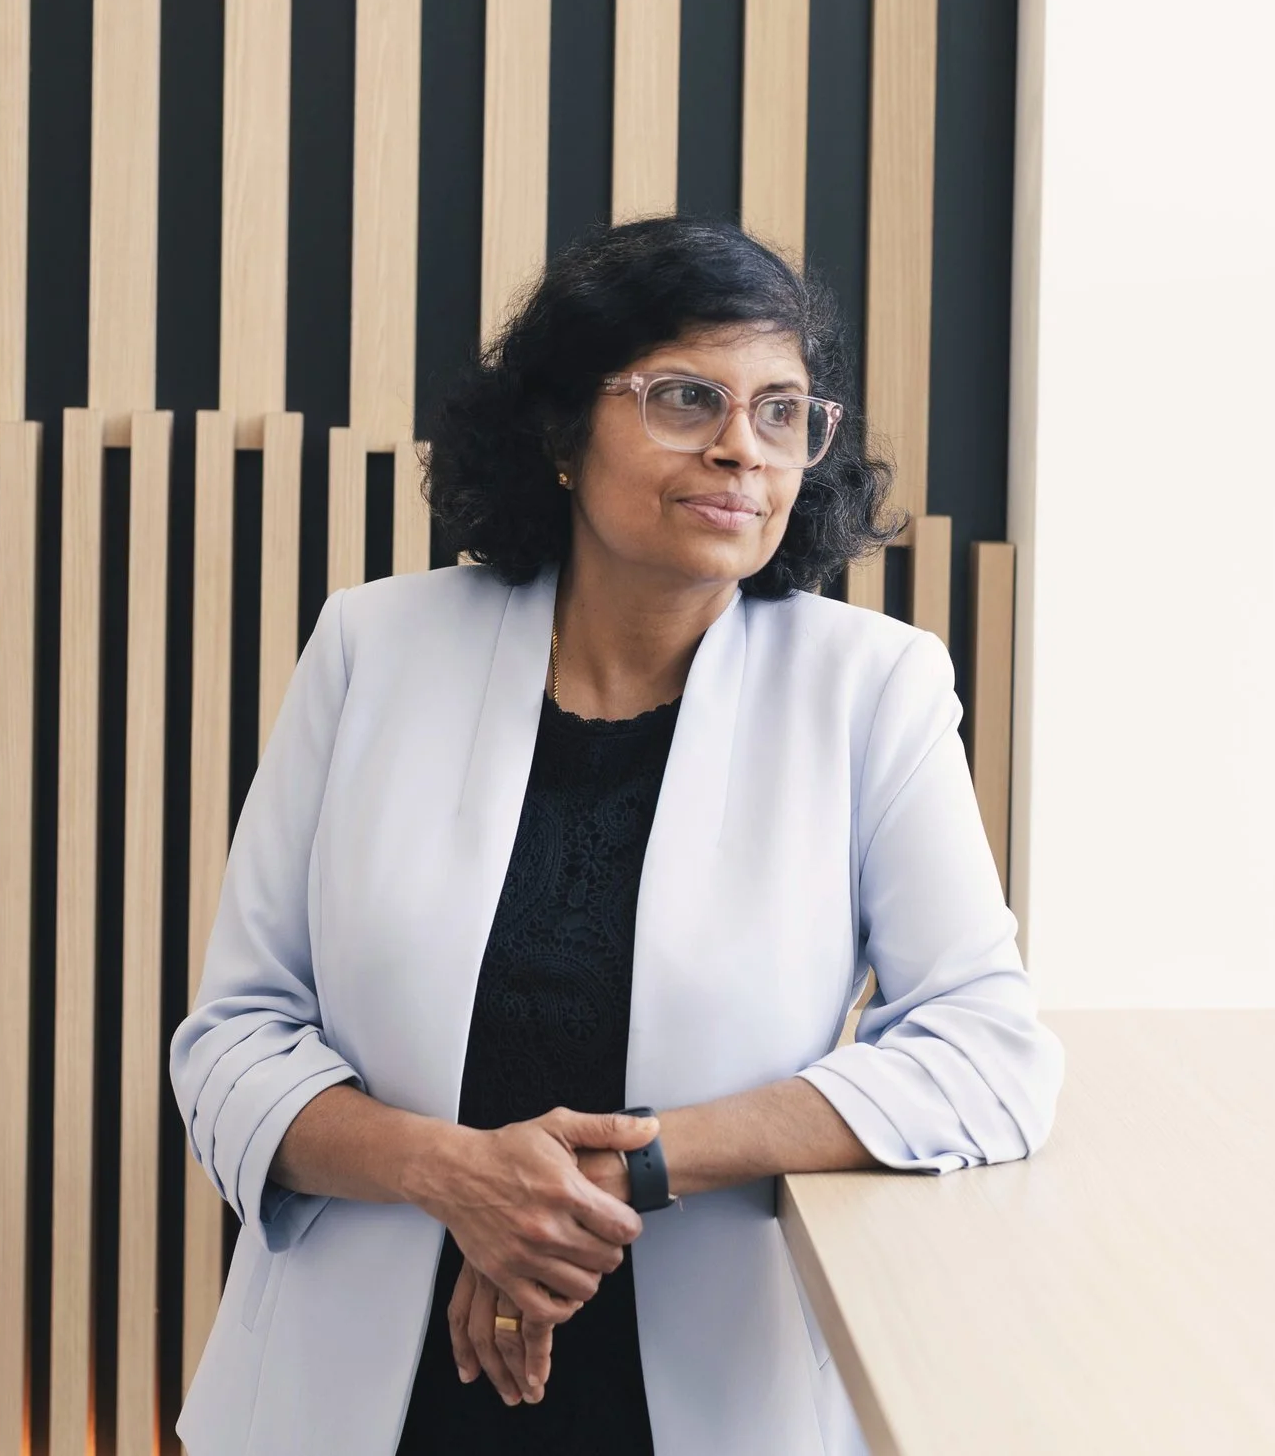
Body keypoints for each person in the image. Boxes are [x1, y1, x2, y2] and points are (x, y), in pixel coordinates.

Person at [170, 216, 1066, 1455]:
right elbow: (231, 1044)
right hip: (363, 1390)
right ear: (557, 431)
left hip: (710, 1393)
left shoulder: (872, 688)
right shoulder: (373, 649)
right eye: (686, 398)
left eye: (782, 411)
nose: (741, 450)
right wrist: (456, 1176)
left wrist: (611, 1179)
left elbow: (986, 1057)